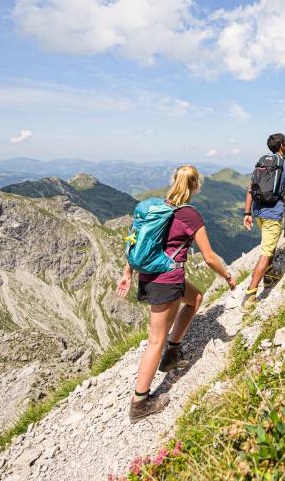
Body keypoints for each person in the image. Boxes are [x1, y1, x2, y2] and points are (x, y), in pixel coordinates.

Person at [115, 165, 237, 422]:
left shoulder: (158, 207)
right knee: (154, 341)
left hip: (152, 276)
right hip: (166, 280)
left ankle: (172, 353)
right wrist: (227, 276)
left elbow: (135, 239)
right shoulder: (190, 215)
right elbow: (209, 257)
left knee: (196, 299)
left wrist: (128, 273)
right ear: (196, 186)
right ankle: (139, 402)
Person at [242, 133, 285, 306]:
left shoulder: (262, 161)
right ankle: (250, 295)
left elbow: (251, 188)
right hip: (272, 214)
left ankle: (269, 277)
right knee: (266, 253)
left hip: (258, 212)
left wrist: (247, 213)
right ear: (282, 145)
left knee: (271, 244)